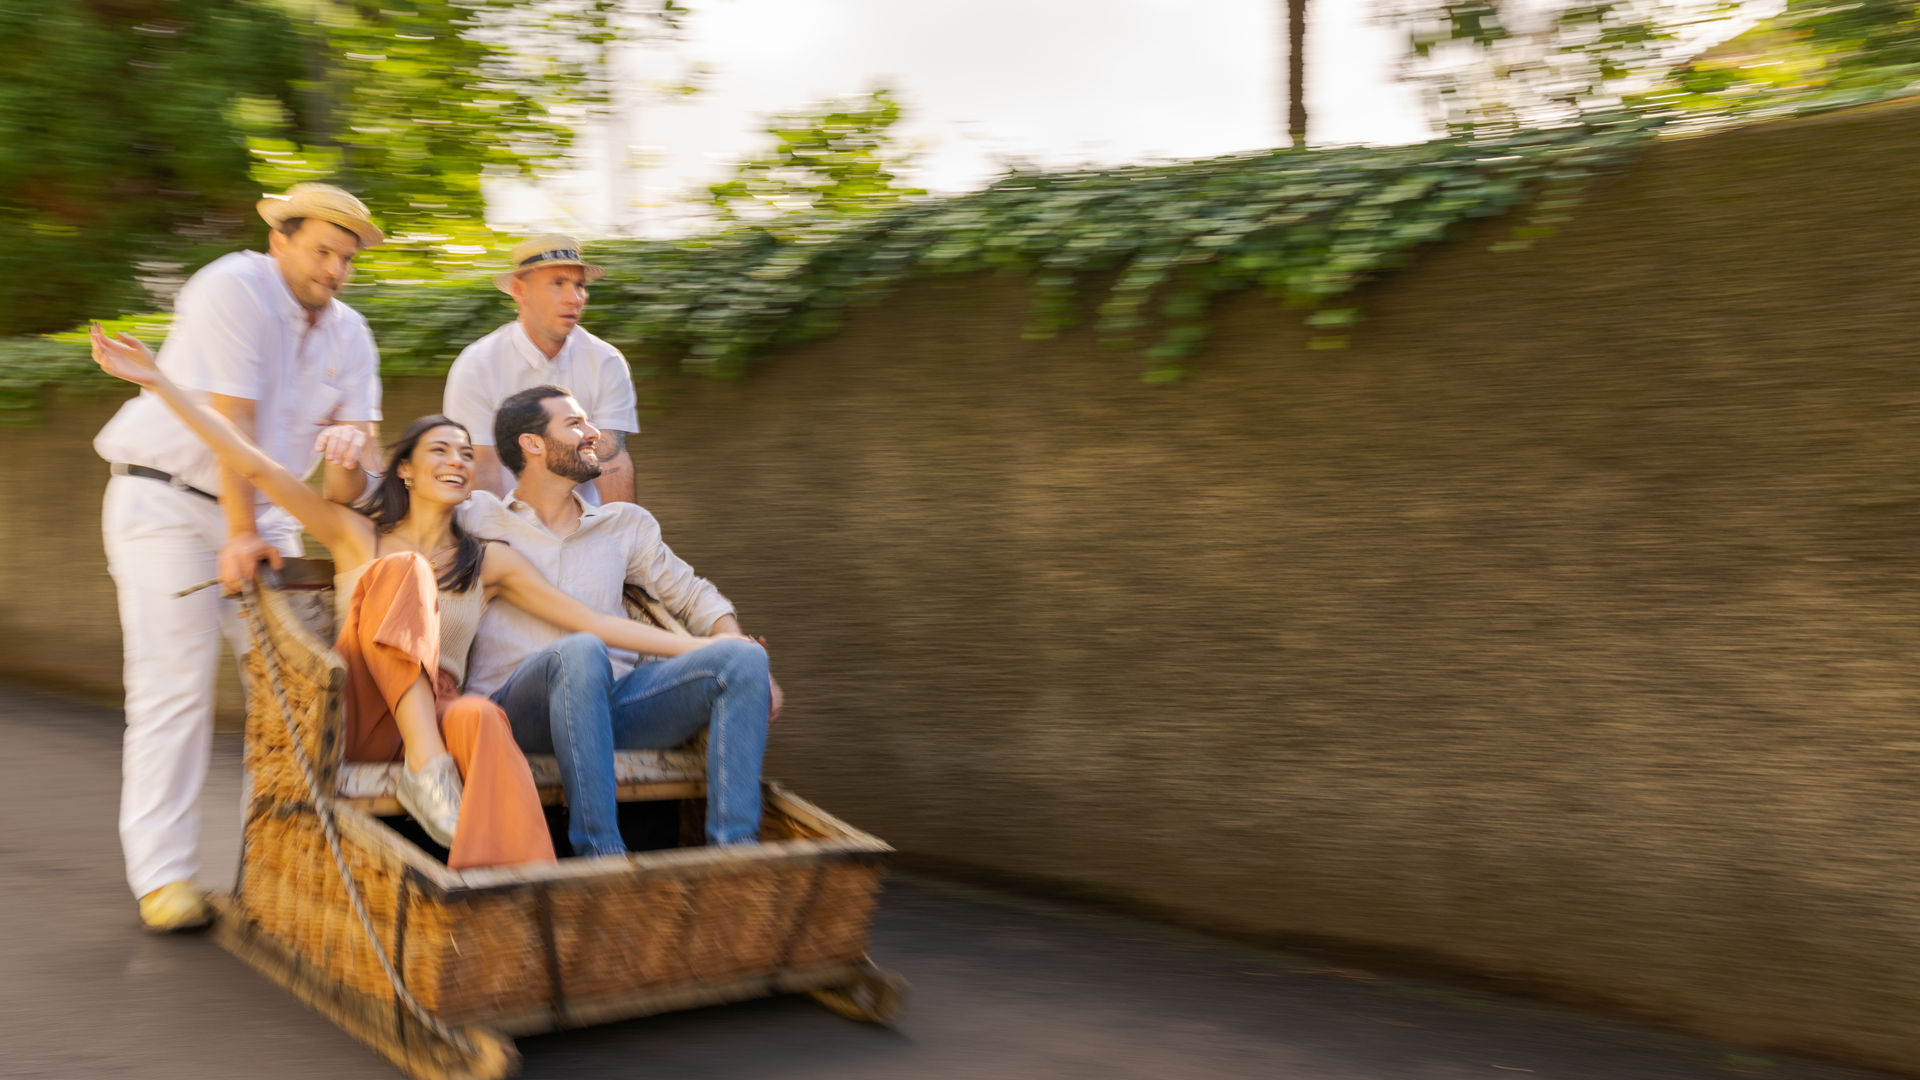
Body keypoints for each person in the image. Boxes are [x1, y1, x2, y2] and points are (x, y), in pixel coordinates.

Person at [89, 329, 759, 873]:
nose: (458, 460)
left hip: (439, 711)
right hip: (363, 708)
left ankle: (518, 889)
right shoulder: (356, 535)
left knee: (481, 718)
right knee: (404, 572)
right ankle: (426, 765)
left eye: (467, 454)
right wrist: (159, 382)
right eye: (440, 449)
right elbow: (255, 463)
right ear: (404, 467)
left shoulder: (489, 559)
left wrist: (710, 647)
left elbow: (589, 622)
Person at [93, 183, 386, 931]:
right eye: (322, 250)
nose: (335, 269)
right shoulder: (233, 286)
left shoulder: (351, 333)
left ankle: (293, 868)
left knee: (302, 696)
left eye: (347, 258)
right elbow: (235, 424)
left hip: (265, 516)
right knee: (175, 685)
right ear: (279, 240)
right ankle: (164, 879)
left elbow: (353, 474)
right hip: (166, 503)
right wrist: (237, 534)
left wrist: (351, 450)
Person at [462, 384, 780, 858]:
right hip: (517, 714)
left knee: (741, 661)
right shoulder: (478, 517)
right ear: (531, 443)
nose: (593, 434)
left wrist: (733, 642)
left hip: (613, 708)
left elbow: (696, 595)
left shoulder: (625, 525)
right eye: (574, 424)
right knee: (581, 650)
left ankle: (736, 856)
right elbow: (382, 516)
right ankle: (602, 852)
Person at [442, 236, 639, 505]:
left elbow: (610, 458)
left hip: (586, 526)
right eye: (558, 284)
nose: (574, 299)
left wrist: (621, 537)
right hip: (505, 525)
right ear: (519, 291)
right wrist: (504, 542)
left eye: (579, 285)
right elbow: (481, 468)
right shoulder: (477, 365)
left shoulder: (606, 361)